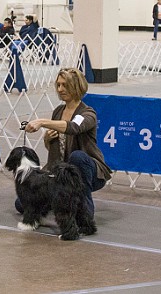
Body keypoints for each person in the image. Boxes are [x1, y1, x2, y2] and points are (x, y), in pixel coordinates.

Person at [23, 68, 112, 216]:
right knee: (22, 204)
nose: (60, 89)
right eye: (58, 85)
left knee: (77, 157)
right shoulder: (58, 111)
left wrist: (42, 122)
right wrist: (47, 139)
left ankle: (85, 213)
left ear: (76, 86)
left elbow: (74, 127)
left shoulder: (88, 113)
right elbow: (53, 149)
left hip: (88, 173)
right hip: (62, 173)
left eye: (65, 85)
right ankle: (59, 202)